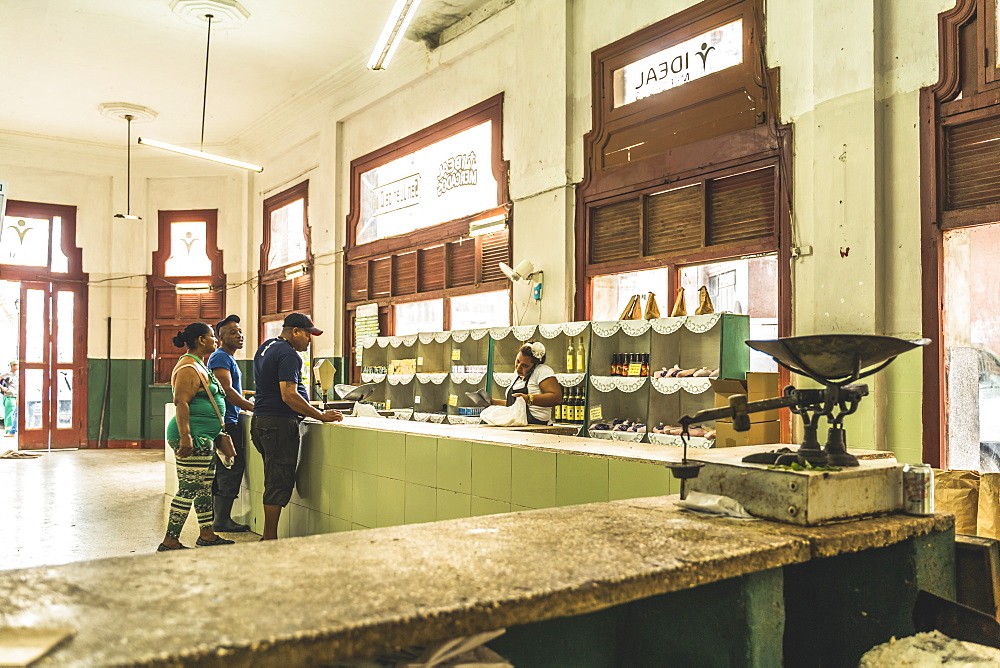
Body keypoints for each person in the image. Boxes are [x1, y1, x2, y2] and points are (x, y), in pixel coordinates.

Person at [251, 313, 343, 540]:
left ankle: (268, 535)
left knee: (273, 476)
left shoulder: (266, 347)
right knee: (277, 480)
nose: (310, 340)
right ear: (295, 332)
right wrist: (320, 415)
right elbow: (289, 395)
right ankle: (269, 538)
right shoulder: (289, 354)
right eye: (308, 334)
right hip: (279, 423)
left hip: (261, 421)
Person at [159, 322, 235, 551]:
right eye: (212, 336)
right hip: (195, 436)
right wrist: (186, 437)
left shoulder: (199, 365)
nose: (216, 340)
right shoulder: (188, 368)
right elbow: (181, 402)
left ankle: (207, 534)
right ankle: (170, 540)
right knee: (189, 488)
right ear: (201, 340)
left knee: (203, 487)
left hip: (204, 437)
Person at [207, 314, 255, 532]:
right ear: (220, 337)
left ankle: (219, 518)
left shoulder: (228, 358)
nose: (239, 335)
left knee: (227, 469)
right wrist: (252, 406)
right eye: (232, 332)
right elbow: (226, 391)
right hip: (227, 422)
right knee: (231, 468)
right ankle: (221, 520)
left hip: (230, 419)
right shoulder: (220, 357)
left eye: (240, 331)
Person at [492, 341, 563, 425]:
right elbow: (515, 405)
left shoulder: (542, 371)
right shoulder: (516, 376)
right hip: (519, 426)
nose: (518, 368)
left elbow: (556, 398)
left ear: (536, 364)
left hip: (538, 427)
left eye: (525, 366)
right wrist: (493, 402)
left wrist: (528, 399)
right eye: (518, 361)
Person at [1, 361, 17, 437]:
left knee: (15, 414)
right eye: (17, 365)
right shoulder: (7, 374)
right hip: (9, 396)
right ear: (13, 366)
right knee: (9, 414)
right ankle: (8, 431)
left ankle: (14, 430)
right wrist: (2, 388)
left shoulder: (18, 374)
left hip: (17, 396)